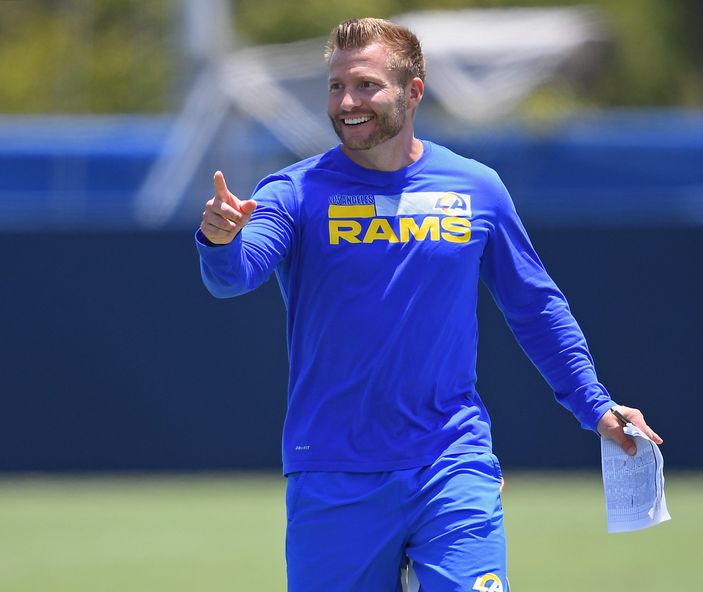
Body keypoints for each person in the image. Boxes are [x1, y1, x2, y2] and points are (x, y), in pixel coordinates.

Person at [196, 17, 662, 592]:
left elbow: (537, 309)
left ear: (413, 91)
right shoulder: (293, 192)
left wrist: (595, 404)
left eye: (366, 85)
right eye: (336, 86)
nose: (347, 101)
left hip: (452, 461)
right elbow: (236, 275)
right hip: (334, 472)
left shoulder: (477, 188)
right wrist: (220, 241)